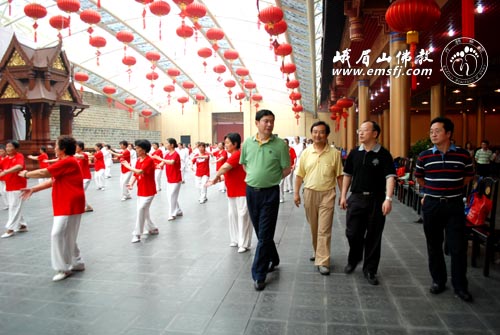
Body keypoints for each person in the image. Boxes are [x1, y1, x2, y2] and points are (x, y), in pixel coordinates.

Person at [414, 117, 475, 302]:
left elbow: (467, 177)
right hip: (432, 205)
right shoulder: (424, 156)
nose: (433, 134)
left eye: (437, 130)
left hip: (454, 204)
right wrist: (431, 191)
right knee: (434, 245)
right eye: (431, 131)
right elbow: (419, 178)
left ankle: (460, 286)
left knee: (458, 247)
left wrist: (451, 189)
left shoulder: (463, 155)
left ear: (448, 133)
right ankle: (438, 281)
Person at [19, 135, 86, 282]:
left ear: (62, 149)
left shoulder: (68, 161)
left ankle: (63, 268)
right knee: (68, 234)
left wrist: (26, 174)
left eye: (56, 146)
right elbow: (52, 180)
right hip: (64, 201)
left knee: (57, 234)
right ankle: (78, 262)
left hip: (70, 202)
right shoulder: (64, 161)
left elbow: (45, 172)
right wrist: (34, 189)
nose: (54, 148)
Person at [240, 109, 291, 291]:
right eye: (265, 121)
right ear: (257, 123)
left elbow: (287, 168)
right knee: (261, 232)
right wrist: (256, 177)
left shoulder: (279, 145)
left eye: (271, 121)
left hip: (270, 193)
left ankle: (259, 274)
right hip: (251, 192)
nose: (269, 124)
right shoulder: (247, 143)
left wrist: (271, 179)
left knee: (264, 233)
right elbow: (245, 164)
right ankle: (274, 258)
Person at [340, 120, 395, 286]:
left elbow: (390, 177)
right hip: (356, 198)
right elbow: (347, 175)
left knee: (374, 235)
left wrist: (388, 199)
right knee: (352, 232)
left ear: (375, 133)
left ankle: (370, 269)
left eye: (364, 130)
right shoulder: (354, 153)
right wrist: (343, 195)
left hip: (376, 199)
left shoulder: (384, 154)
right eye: (359, 130)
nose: (360, 133)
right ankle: (355, 257)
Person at [294, 121, 343, 275]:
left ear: (327, 134)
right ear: (312, 134)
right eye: (315, 132)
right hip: (309, 192)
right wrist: (296, 193)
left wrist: (343, 196)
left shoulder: (334, 154)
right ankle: (318, 251)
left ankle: (323, 260)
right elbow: (299, 175)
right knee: (314, 226)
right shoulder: (306, 153)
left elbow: (340, 176)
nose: (318, 135)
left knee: (324, 228)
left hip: (328, 194)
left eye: (321, 132)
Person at [207, 133, 252, 253]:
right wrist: (216, 180)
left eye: (227, 143)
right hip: (232, 191)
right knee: (233, 216)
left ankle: (244, 243)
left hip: (242, 191)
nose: (225, 145)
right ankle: (236, 239)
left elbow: (224, 168)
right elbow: (228, 174)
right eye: (225, 143)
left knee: (243, 216)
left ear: (235, 144)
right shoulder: (231, 156)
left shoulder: (237, 154)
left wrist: (216, 176)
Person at [122, 139, 159, 243]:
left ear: (143, 150)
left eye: (138, 147)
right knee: (144, 211)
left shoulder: (149, 160)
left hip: (149, 190)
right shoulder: (139, 160)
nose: (136, 149)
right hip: (141, 190)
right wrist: (131, 183)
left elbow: (140, 171)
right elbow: (136, 174)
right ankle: (152, 228)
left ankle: (137, 234)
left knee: (141, 210)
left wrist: (128, 166)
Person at [0, 140, 28, 238]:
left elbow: (19, 166)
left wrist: (5, 172)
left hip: (18, 186)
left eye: (10, 146)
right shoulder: (5, 159)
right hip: (9, 185)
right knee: (14, 206)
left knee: (13, 206)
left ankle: (10, 229)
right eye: (6, 146)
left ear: (16, 148)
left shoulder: (19, 156)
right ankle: (22, 225)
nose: (7, 148)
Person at [152, 138, 183, 221]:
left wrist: (159, 159)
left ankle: (172, 214)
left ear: (172, 145)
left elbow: (171, 162)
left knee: (172, 195)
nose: (165, 145)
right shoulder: (167, 154)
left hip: (176, 178)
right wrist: (157, 165)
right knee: (171, 196)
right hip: (169, 178)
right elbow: (162, 163)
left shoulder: (176, 154)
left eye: (167, 143)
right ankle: (178, 210)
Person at [75, 141, 93, 212]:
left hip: (86, 177)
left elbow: (80, 156)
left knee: (80, 192)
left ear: (81, 147)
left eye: (76, 146)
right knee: (80, 193)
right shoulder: (75, 156)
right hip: (80, 178)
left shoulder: (84, 155)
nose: (75, 148)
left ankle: (84, 206)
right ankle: (87, 206)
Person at [0, 145, 8, 210]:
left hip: (7, 177)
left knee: (5, 191)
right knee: (2, 192)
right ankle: (6, 204)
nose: (0, 153)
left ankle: (10, 203)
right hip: (1, 177)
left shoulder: (8, 158)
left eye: (2, 151)